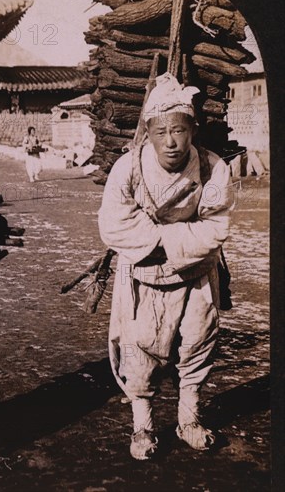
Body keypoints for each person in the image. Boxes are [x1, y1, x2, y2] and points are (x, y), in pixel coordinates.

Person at [98, 73, 234, 460]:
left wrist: (164, 240)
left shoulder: (211, 168)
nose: (170, 141)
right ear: (148, 132)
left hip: (196, 274)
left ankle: (188, 420)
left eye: (178, 130)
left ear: (192, 129)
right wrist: (165, 240)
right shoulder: (129, 169)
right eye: (161, 132)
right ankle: (142, 427)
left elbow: (216, 224)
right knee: (142, 351)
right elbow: (114, 224)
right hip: (143, 277)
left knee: (197, 343)